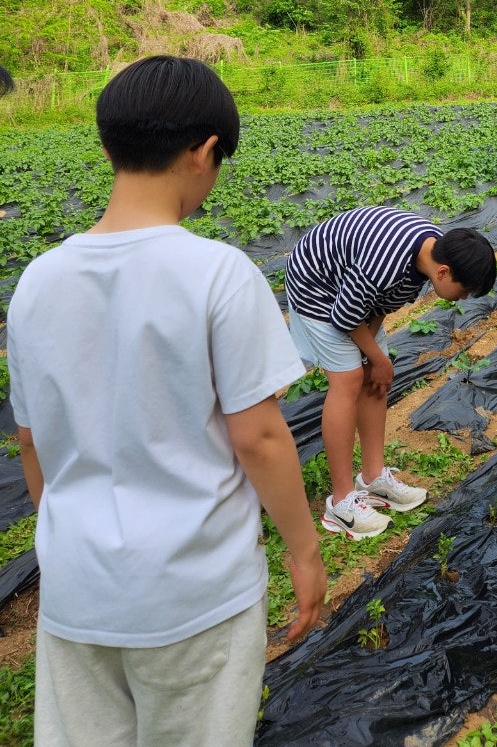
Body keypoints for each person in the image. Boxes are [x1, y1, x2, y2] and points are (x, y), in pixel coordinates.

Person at [7, 55, 327, 747]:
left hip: (78, 589)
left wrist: (75, 538)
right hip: (193, 592)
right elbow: (260, 438)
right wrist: (304, 552)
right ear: (205, 151)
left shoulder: (37, 281)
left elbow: (30, 442)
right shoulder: (217, 273)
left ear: (106, 147)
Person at [286, 208, 497, 538]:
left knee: (375, 376)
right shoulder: (386, 265)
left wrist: (374, 359)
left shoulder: (428, 252)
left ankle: (373, 478)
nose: (464, 299)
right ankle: (340, 503)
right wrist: (376, 360)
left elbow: (379, 305)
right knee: (348, 380)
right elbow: (344, 317)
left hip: (349, 290)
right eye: (465, 291)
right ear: (443, 273)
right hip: (316, 282)